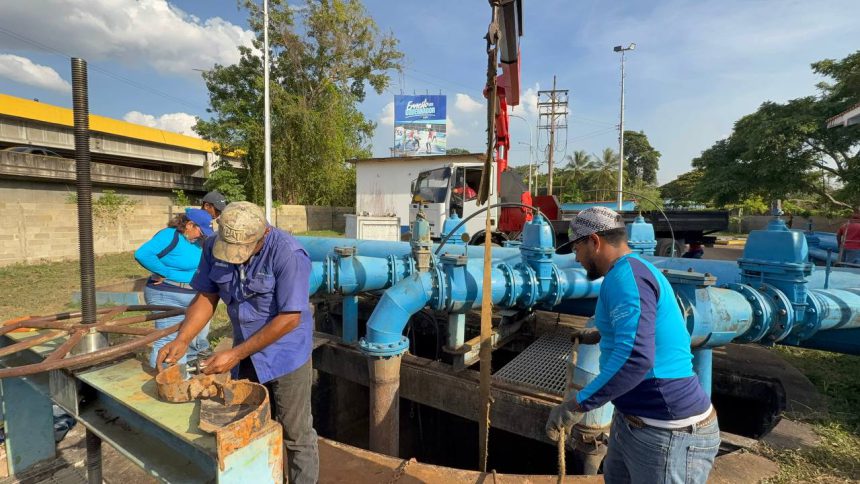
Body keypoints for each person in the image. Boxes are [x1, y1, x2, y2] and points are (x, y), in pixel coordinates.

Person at [546, 206, 719, 484]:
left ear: (594, 241)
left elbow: (636, 358)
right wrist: (602, 334)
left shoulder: (628, 279)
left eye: (577, 248)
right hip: (633, 420)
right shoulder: (627, 273)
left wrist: (576, 406)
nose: (576, 258)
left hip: (667, 430)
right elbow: (644, 330)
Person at [156, 201, 319, 484]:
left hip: (286, 355)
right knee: (249, 424)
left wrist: (235, 354)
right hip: (246, 353)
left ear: (263, 235)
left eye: (242, 251)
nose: (234, 258)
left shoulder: (288, 254)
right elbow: (207, 295)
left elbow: (290, 318)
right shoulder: (213, 246)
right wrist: (183, 338)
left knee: (296, 434)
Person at [135, 208, 214, 368]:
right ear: (189, 225)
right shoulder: (169, 235)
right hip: (167, 293)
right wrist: (164, 272)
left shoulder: (197, 241)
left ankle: (181, 373)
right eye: (200, 231)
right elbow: (143, 254)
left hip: (192, 295)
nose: (202, 236)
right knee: (169, 340)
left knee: (185, 337)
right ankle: (166, 377)